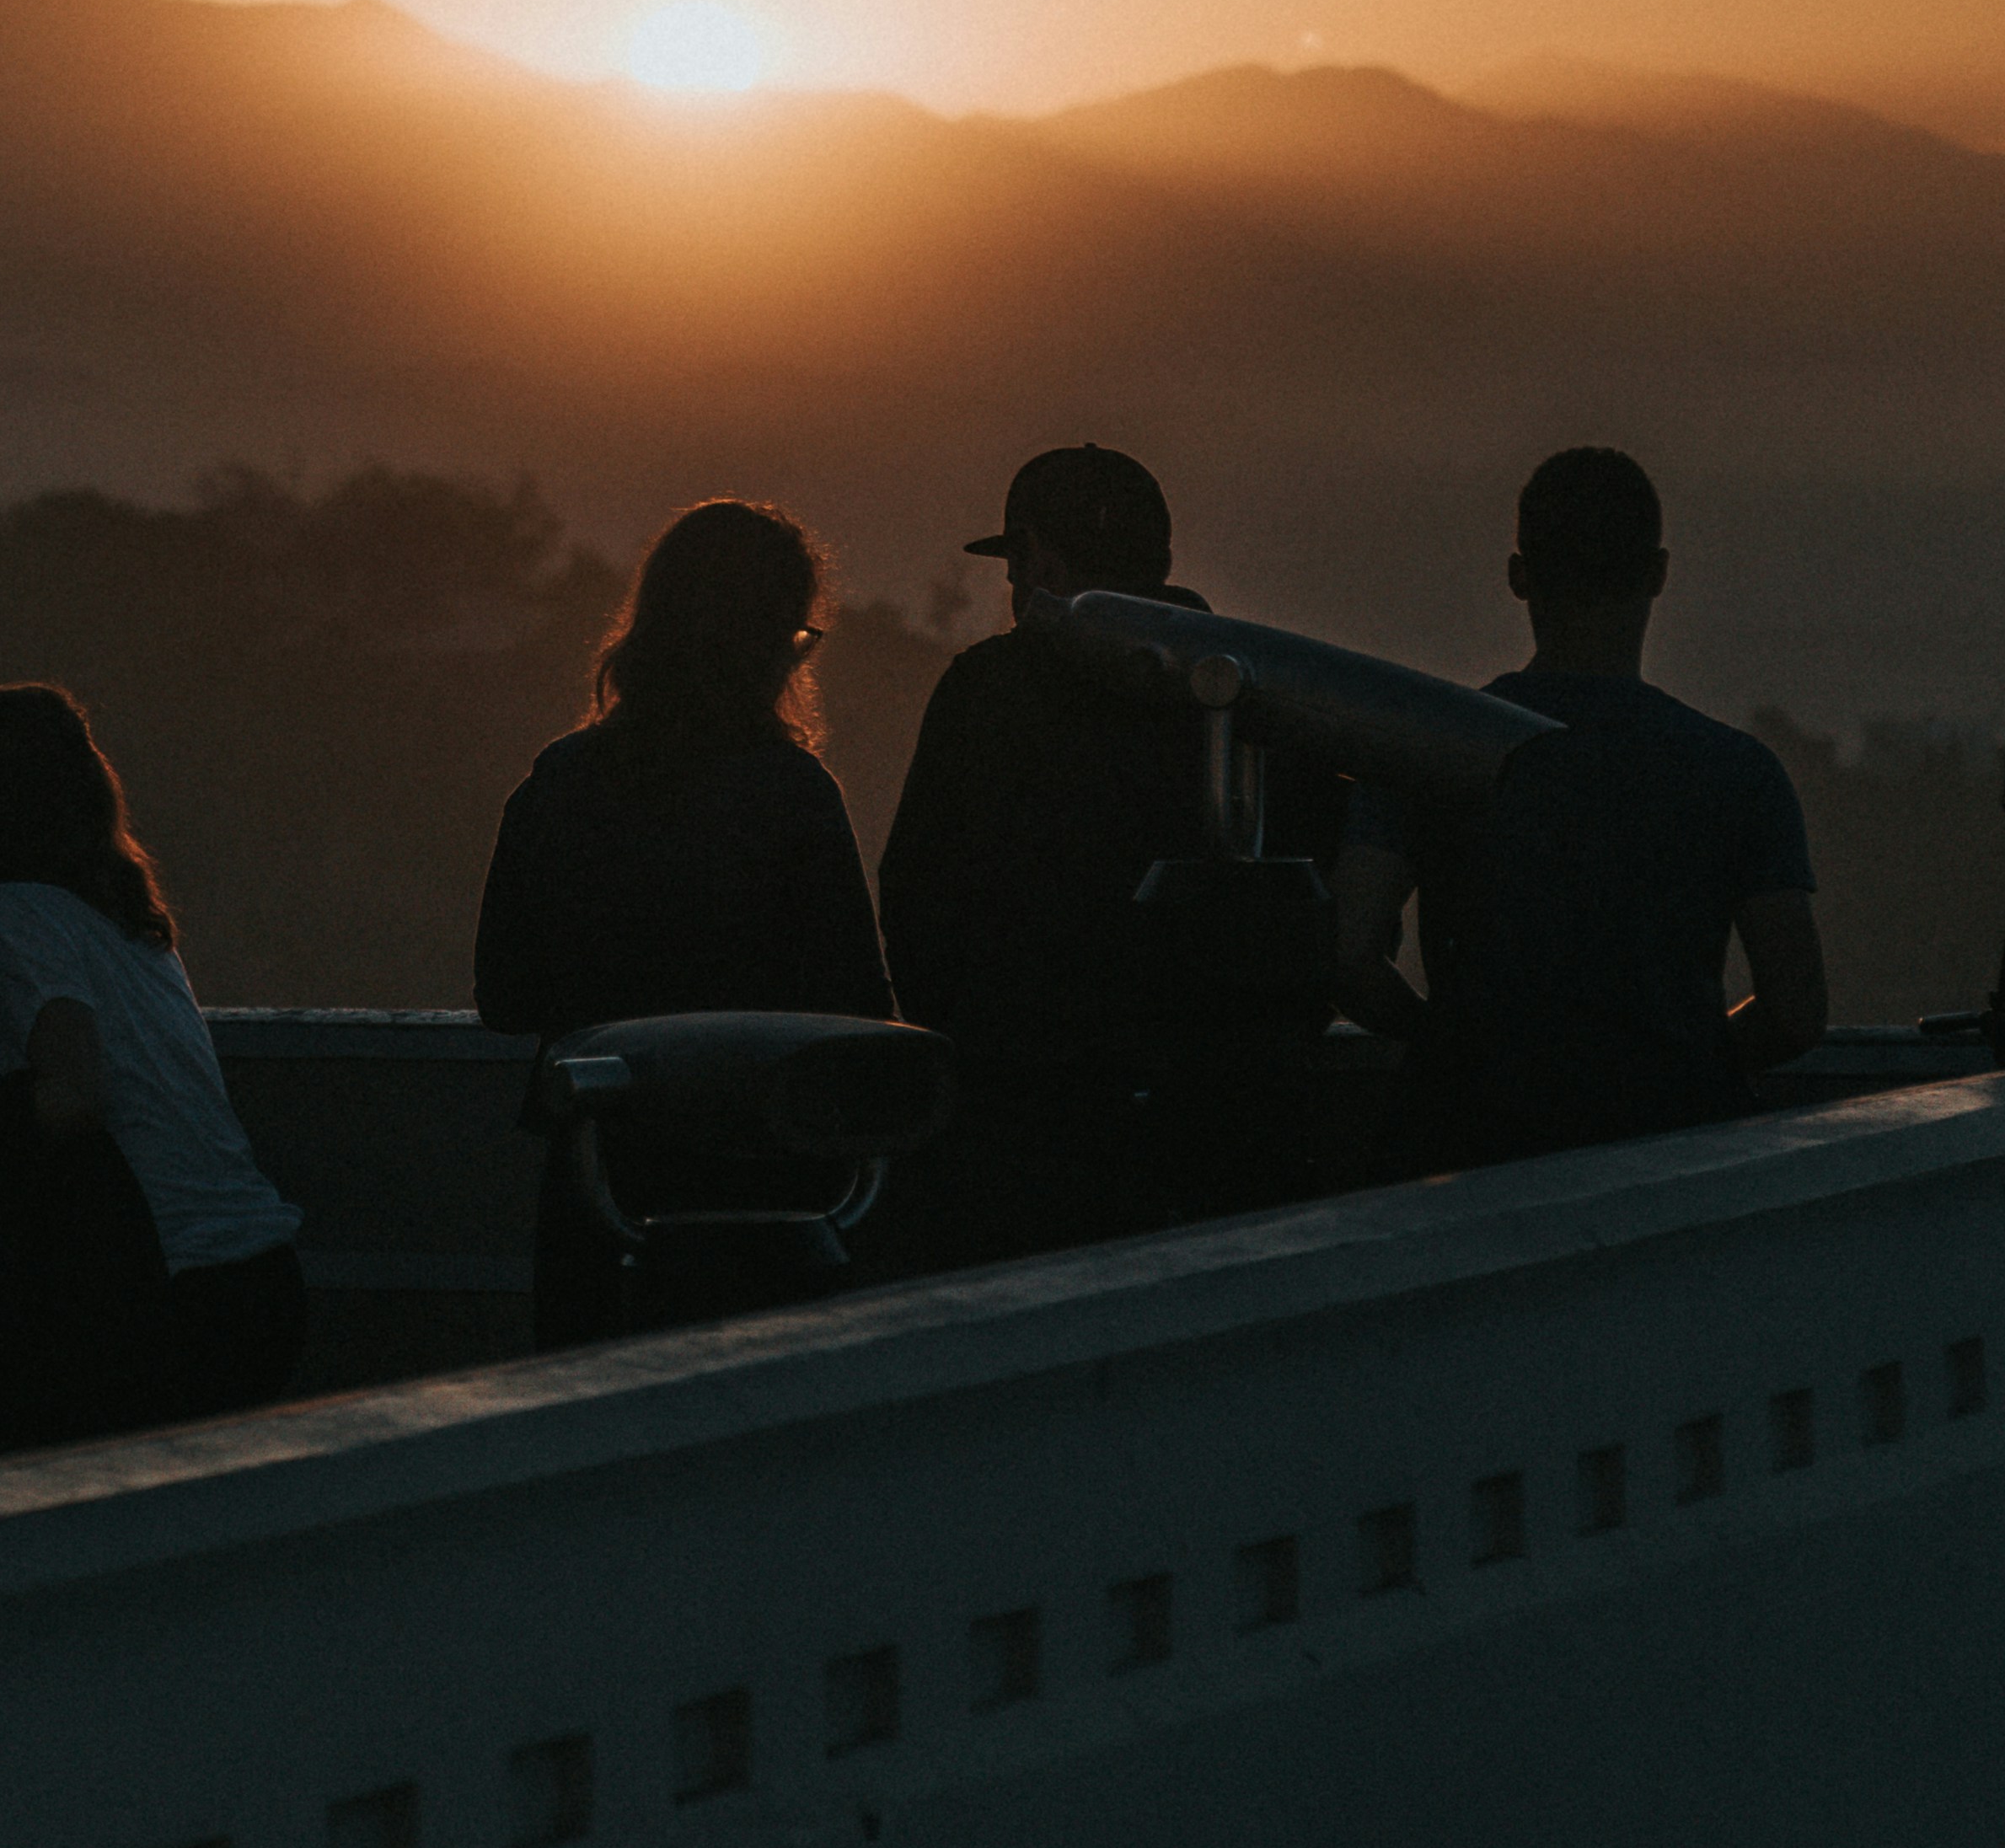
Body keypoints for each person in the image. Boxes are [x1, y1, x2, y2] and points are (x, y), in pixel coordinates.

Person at [877, 442, 1344, 1257]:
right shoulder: (1253, 689)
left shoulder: (983, 693)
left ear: (1045, 563)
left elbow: (914, 893)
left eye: (1015, 569)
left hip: (1019, 1136)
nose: (1014, 591)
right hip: (1225, 1140)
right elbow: (1320, 895)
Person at [0, 683, 307, 1452]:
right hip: (256, 1284)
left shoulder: (13, 911)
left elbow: (74, 1097)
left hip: (169, 1289)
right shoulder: (127, 924)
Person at [474, 496, 892, 1347]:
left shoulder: (559, 783)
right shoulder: (792, 795)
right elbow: (858, 1008)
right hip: (773, 1194)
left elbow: (506, 998)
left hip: (604, 1183)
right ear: (771, 641)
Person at [1331, 447, 1827, 1160]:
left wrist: (1450, 1046)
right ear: (1657, 574)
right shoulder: (1739, 772)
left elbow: (1352, 962)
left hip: (1471, 1147)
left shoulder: (1426, 751)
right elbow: (1794, 1014)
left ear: (1518, 577)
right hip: (1668, 1159)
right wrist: (1676, 1065)